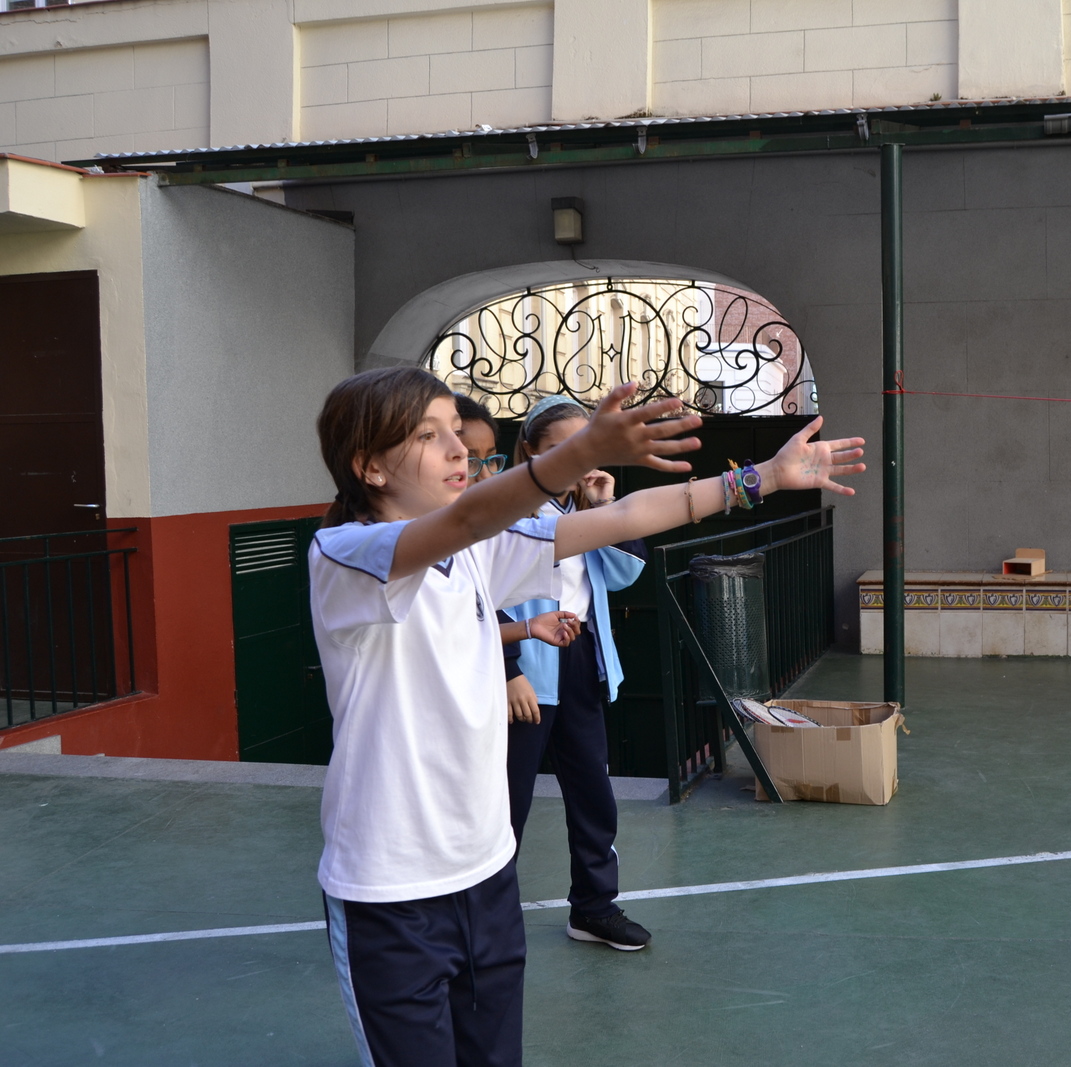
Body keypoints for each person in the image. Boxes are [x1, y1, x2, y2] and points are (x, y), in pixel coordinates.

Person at [309, 366, 864, 1067]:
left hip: (486, 874)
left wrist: (761, 480)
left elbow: (624, 519)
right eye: (428, 435)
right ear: (369, 467)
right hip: (390, 892)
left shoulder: (478, 551)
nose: (457, 449)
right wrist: (579, 452)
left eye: (456, 430)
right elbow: (467, 517)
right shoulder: (346, 557)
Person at [501, 396, 649, 952]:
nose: (574, 457)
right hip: (523, 668)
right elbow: (475, 597)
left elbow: (625, 573)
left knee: (593, 794)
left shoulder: (583, 511)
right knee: (505, 803)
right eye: (558, 446)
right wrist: (508, 670)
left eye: (583, 444)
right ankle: (484, 918)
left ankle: (593, 908)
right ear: (530, 451)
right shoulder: (503, 509)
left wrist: (604, 506)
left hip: (581, 660)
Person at [453, 394, 578, 724]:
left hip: (559, 647)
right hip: (507, 672)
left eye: (491, 459)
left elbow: (624, 529)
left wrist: (528, 627)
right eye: (467, 460)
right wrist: (510, 668)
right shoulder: (506, 515)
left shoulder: (579, 504)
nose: (484, 475)